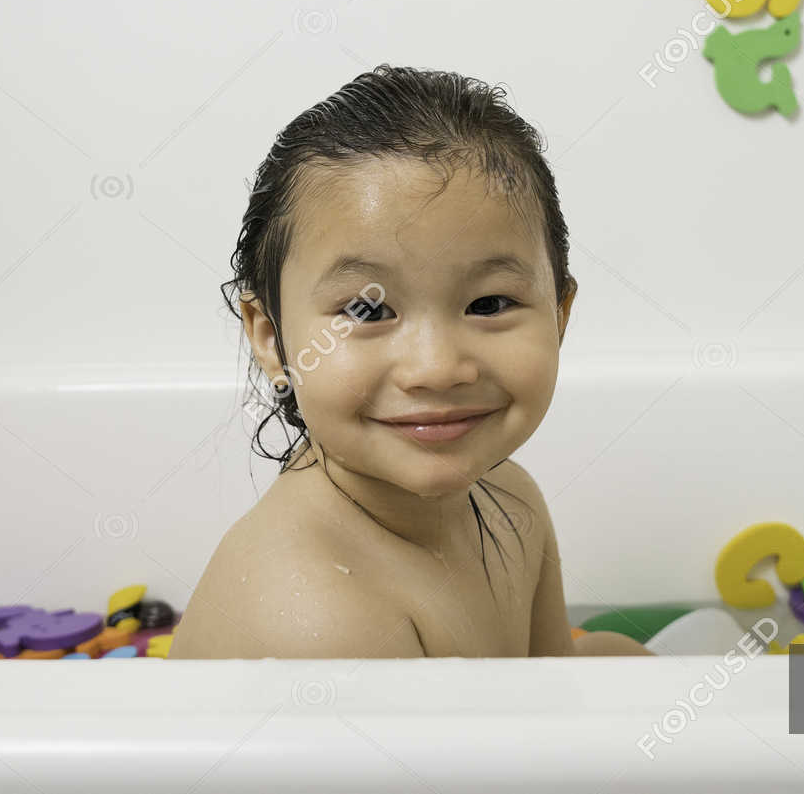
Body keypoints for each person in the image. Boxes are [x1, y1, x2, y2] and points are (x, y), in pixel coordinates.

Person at [170, 66, 651, 659]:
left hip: (482, 750)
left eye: (489, 303)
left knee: (618, 655)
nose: (437, 367)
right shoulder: (326, 623)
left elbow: (554, 695)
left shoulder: (511, 500)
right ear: (271, 338)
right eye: (368, 313)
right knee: (755, 700)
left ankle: (798, 700)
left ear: (559, 314)